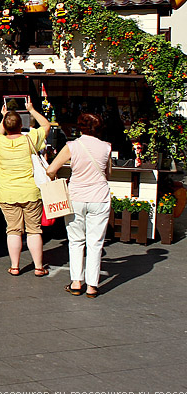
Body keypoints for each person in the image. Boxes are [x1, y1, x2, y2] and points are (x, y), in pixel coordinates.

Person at [46, 113, 111, 298]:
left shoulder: (72, 146)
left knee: (75, 241)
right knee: (95, 243)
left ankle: (76, 282)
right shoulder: (106, 147)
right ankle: (92, 286)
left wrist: (57, 180)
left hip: (76, 197)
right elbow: (108, 174)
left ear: (80, 127)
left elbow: (51, 169)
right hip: (99, 197)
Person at [0, 100, 51, 277]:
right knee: (34, 230)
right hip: (30, 191)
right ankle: (39, 267)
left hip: (6, 192)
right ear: (21, 125)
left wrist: (3, 118)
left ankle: (15, 266)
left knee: (13, 230)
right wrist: (32, 110)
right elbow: (46, 125)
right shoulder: (29, 139)